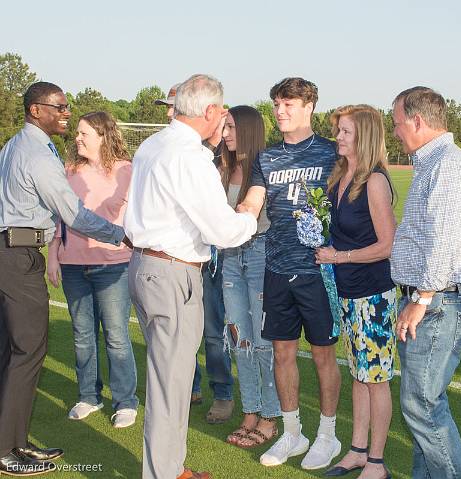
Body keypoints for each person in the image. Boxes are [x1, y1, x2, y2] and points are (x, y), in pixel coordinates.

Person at [125, 74, 257, 479]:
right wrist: (250, 209)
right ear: (211, 111)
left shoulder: (154, 144)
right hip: (171, 273)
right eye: (221, 112)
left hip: (148, 267)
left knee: (173, 380)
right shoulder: (190, 156)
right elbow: (221, 230)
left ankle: (171, 467)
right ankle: (164, 473)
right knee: (171, 385)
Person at [0, 81, 128, 476]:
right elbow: (73, 214)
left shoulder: (17, 145)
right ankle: (7, 451)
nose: (67, 113)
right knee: (27, 352)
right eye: (59, 107)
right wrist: (120, 234)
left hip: (15, 253)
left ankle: (15, 442)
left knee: (12, 351)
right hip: (17, 256)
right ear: (36, 110)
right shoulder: (35, 154)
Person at [238, 77, 342, 470]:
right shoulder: (266, 158)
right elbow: (254, 201)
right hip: (277, 268)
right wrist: (240, 215)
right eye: (277, 105)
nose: (280, 112)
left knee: (322, 355)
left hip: (319, 271)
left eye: (289, 105)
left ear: (309, 106)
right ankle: (292, 432)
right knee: (282, 352)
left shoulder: (332, 153)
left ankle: (328, 437)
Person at [390, 87, 461, 479]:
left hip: (438, 301)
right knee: (423, 405)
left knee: (421, 405)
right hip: (432, 301)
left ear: (417, 121)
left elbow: (442, 239)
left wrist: (422, 297)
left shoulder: (447, 164)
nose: (395, 132)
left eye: (397, 124)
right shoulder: (431, 163)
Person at [315, 105, 397, 479]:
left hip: (374, 295)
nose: (339, 137)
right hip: (347, 293)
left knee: (375, 379)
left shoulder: (375, 181)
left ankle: (376, 463)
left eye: (346, 131)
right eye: (338, 131)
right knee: (359, 375)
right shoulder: (341, 176)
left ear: (363, 135)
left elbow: (387, 246)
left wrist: (340, 256)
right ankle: (358, 451)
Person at [46, 111, 139, 428]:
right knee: (83, 335)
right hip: (72, 264)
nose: (77, 137)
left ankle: (125, 402)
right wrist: (53, 253)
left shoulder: (127, 170)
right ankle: (88, 396)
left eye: (84, 133)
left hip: (113, 266)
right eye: (77, 133)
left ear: (103, 136)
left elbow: (134, 216)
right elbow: (59, 216)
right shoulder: (69, 170)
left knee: (116, 336)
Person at [155, 83, 235, 418]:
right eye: (167, 107)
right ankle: (191, 386)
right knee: (181, 338)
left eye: (174, 107)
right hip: (180, 259)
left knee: (213, 330)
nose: (169, 113)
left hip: (212, 259)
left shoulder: (214, 153)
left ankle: (223, 391)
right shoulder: (169, 150)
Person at [220, 106, 281, 449]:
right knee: (238, 338)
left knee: (263, 340)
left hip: (260, 257)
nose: (225, 133)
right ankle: (250, 411)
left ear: (248, 129)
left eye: (231, 127)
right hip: (230, 258)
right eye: (224, 126)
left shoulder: (269, 167)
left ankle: (270, 416)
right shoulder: (223, 168)